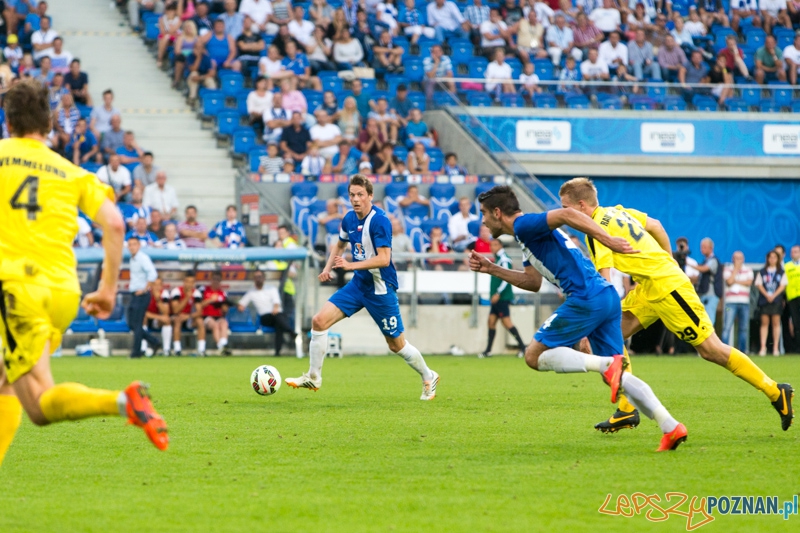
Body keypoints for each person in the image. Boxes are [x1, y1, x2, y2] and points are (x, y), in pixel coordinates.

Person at [0, 80, 167, 467]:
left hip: (17, 288)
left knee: (40, 405)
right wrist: (108, 290)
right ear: (50, 123)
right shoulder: (71, 171)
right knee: (7, 379)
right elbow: (115, 224)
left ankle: (124, 402)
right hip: (62, 292)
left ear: (9, 122)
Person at [557, 177, 794, 433]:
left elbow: (604, 280)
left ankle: (775, 391)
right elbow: (656, 226)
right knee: (608, 334)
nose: (563, 213)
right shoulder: (618, 211)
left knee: (711, 350)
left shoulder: (594, 230)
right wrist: (667, 260)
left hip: (669, 289)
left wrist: (592, 315)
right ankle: (626, 407)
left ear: (581, 206)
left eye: (565, 208)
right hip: (651, 286)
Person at [469, 185, 687, 451]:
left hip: (586, 297)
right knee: (615, 374)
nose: (482, 220)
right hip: (604, 296)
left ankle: (605, 364)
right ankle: (671, 426)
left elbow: (566, 215)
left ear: (497, 212)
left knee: (533, 356)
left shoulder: (525, 224)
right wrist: (492, 269)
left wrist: (607, 239)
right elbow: (532, 282)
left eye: (483, 213)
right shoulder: (526, 235)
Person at [285, 175, 439, 399]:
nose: (355, 199)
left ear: (370, 196)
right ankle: (313, 377)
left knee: (396, 345)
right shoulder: (349, 218)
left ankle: (428, 375)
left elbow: (384, 259)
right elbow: (339, 244)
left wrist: (350, 264)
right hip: (358, 284)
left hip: (380, 288)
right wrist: (328, 268)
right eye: (352, 195)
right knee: (319, 321)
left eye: (360, 195)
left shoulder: (380, 221)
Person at [481, 238, 527, 358]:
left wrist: (498, 293)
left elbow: (507, 277)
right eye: (491, 245)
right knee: (491, 322)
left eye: (495, 245)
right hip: (496, 297)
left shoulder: (504, 259)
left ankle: (523, 347)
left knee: (507, 323)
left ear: (501, 246)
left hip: (502, 297)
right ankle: (488, 351)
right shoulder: (497, 259)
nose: (492, 247)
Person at [237, 271, 295, 357]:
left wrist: (275, 309)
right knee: (279, 319)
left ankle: (277, 352)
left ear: (264, 278)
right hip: (265, 318)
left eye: (260, 276)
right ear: (254, 279)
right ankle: (291, 332)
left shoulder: (271, 288)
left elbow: (276, 302)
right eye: (256, 277)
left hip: (276, 315)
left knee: (279, 324)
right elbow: (241, 305)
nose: (258, 279)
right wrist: (240, 307)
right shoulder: (251, 292)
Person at [756, 250, 788, 357]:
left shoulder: (781, 272)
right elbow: (759, 284)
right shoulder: (762, 271)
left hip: (776, 300)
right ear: (767, 259)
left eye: (774, 257)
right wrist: (767, 295)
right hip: (765, 300)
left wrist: (773, 295)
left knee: (776, 324)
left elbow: (783, 285)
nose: (772, 259)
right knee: (764, 323)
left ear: (778, 259)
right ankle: (763, 347)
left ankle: (775, 348)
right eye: (770, 257)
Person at [722, 251, 754, 354]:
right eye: (736, 258)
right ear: (732, 259)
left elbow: (749, 282)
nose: (738, 260)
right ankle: (724, 351)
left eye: (740, 258)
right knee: (727, 327)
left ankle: (743, 351)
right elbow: (729, 281)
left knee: (743, 328)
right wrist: (735, 269)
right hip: (730, 303)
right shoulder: (728, 269)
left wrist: (735, 281)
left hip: (744, 302)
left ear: (743, 259)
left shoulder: (748, 270)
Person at [169, 272, 205, 356]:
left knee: (200, 321)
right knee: (177, 320)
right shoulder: (176, 291)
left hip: (188, 318)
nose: (189, 284)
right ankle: (177, 349)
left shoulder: (196, 293)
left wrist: (188, 316)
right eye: (188, 281)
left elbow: (199, 312)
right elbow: (175, 310)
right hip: (176, 317)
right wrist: (187, 298)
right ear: (184, 282)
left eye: (192, 282)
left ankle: (201, 349)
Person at [197, 271, 232, 356]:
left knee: (224, 323)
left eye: (218, 279)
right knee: (215, 325)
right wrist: (210, 300)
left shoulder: (222, 293)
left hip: (218, 316)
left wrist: (224, 309)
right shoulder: (203, 290)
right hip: (206, 316)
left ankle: (224, 345)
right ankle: (221, 347)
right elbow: (199, 305)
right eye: (214, 279)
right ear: (211, 279)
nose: (216, 281)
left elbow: (225, 309)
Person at [694, 237, 723, 326]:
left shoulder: (713, 260)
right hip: (704, 293)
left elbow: (704, 269)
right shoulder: (705, 260)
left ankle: (710, 339)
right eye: (701, 247)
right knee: (703, 319)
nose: (702, 249)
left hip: (711, 294)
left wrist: (690, 264)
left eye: (704, 247)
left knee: (709, 320)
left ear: (711, 248)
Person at [143, 277, 174, 357]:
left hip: (157, 321)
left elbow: (166, 312)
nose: (156, 287)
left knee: (167, 320)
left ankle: (166, 350)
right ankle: (143, 348)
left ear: (162, 285)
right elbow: (143, 313)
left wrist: (158, 299)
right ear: (151, 285)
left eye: (159, 285)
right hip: (148, 319)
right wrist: (159, 317)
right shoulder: (146, 294)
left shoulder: (164, 294)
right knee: (143, 318)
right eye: (154, 284)